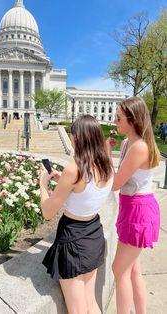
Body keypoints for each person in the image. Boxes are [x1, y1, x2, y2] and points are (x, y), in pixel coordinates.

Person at [40, 115, 114, 314]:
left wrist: (43, 184)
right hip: (94, 234)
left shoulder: (74, 170)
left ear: (77, 139)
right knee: (91, 302)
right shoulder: (107, 166)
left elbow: (48, 212)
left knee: (77, 309)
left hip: (72, 241)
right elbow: (84, 195)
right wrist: (61, 180)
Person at [106, 96, 160, 314]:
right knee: (132, 270)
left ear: (132, 119)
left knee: (119, 271)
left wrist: (107, 154)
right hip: (132, 207)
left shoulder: (139, 147)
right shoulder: (129, 143)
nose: (115, 121)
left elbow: (115, 183)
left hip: (139, 210)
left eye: (118, 118)